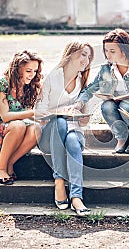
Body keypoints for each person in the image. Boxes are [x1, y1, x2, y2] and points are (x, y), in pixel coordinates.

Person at [72, 28, 129, 154]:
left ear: (124, 51)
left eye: (112, 51)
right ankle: (122, 138)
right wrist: (79, 103)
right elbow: (90, 88)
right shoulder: (106, 69)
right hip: (118, 108)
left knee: (125, 104)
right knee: (107, 106)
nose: (108, 55)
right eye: (106, 50)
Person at [36, 41, 94, 216]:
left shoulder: (83, 83)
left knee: (73, 143)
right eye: (84, 54)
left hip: (73, 131)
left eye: (89, 57)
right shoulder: (52, 78)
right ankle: (59, 180)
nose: (87, 60)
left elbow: (85, 120)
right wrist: (60, 112)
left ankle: (76, 197)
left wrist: (80, 116)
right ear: (71, 54)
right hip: (48, 136)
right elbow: (39, 112)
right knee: (59, 122)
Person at [0, 50, 43, 185]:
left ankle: (10, 163)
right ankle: (0, 168)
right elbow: (5, 117)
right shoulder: (1, 84)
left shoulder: (31, 85)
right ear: (18, 69)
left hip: (19, 126)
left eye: (35, 71)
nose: (32, 75)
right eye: (28, 71)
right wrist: (33, 112)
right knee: (19, 125)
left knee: (37, 129)